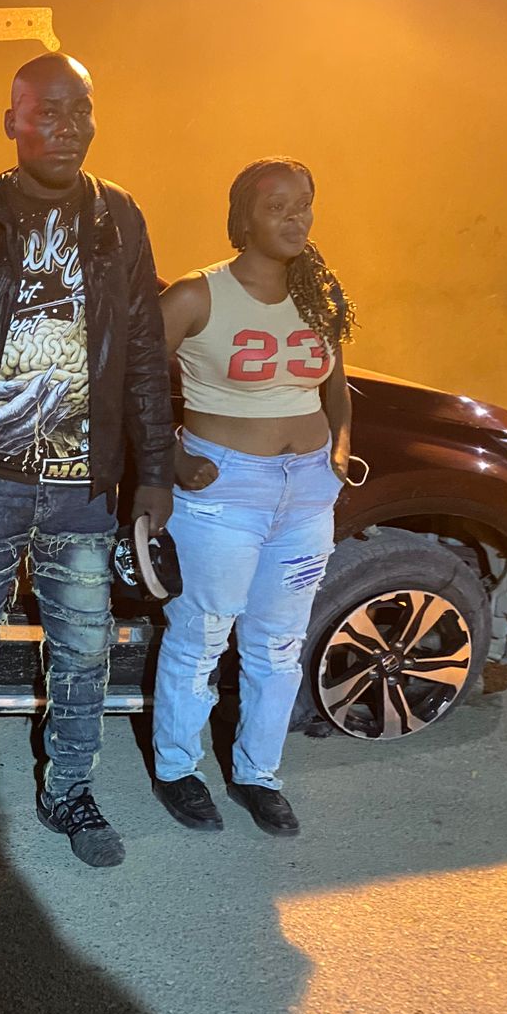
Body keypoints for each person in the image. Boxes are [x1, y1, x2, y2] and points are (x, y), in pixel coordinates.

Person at [0, 54, 175, 870]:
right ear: (11, 121)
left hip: (84, 484)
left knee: (85, 650)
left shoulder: (119, 215)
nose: (67, 127)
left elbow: (145, 351)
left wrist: (154, 470)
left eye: (80, 109)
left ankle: (70, 791)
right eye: (47, 111)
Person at [149, 158, 356, 837]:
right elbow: (126, 382)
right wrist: (172, 458)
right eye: (277, 206)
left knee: (278, 645)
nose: (296, 218)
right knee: (202, 635)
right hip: (225, 491)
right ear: (242, 220)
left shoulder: (319, 294)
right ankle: (178, 769)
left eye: (305, 204)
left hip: (306, 496)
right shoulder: (195, 295)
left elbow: (336, 386)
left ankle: (259, 775)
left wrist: (340, 447)